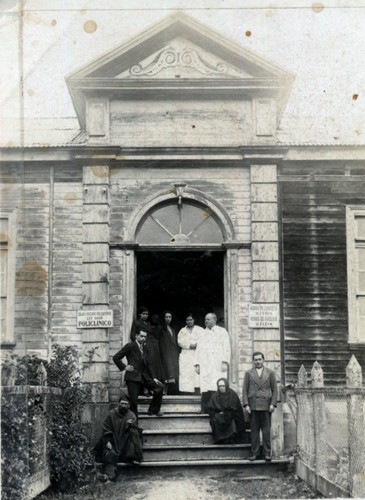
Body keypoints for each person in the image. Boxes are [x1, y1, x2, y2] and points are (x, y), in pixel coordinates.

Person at [113, 330, 164, 419]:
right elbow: (116, 357)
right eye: (141, 336)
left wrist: (154, 378)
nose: (143, 338)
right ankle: (134, 425)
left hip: (144, 377)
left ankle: (153, 409)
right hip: (133, 378)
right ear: (136, 336)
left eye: (145, 337)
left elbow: (148, 364)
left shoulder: (145, 347)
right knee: (133, 402)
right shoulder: (130, 346)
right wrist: (125, 367)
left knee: (159, 388)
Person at [94, 395, 143, 481]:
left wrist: (130, 426)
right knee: (109, 452)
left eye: (125, 404)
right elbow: (106, 428)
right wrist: (108, 440)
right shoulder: (111, 414)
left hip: (124, 444)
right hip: (113, 441)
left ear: (128, 406)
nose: (123, 406)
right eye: (122, 403)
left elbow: (136, 431)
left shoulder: (131, 415)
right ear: (118, 404)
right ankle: (109, 475)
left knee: (133, 436)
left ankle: (130, 460)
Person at [242, 351, 278, 462]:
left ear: (263, 360)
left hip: (266, 406)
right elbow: (244, 390)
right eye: (256, 360)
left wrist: (273, 404)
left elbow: (275, 390)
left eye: (259, 359)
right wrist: (246, 404)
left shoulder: (270, 373)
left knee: (266, 431)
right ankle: (255, 453)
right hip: (253, 406)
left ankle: (267, 453)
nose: (258, 361)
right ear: (253, 361)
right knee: (254, 431)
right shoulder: (248, 373)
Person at [195, 312, 231, 412]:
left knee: (216, 384)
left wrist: (225, 361)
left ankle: (217, 408)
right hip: (205, 363)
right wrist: (197, 364)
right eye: (205, 319)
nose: (206, 321)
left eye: (208, 319)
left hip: (217, 363)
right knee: (205, 386)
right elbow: (198, 348)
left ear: (214, 320)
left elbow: (226, 347)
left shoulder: (222, 331)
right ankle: (205, 409)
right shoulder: (202, 332)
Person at [207, 378, 246, 444]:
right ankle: (220, 439)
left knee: (232, 420)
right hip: (219, 416)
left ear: (226, 385)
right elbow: (210, 409)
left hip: (231, 415)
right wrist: (218, 413)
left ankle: (230, 439)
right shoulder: (215, 396)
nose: (221, 388)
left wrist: (227, 413)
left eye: (223, 386)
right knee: (215, 419)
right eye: (219, 386)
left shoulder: (232, 395)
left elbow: (236, 409)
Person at [177, 313, 204, 393]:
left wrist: (197, 345)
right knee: (186, 373)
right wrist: (189, 345)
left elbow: (204, 339)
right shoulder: (182, 330)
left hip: (197, 353)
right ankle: (186, 391)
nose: (189, 321)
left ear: (194, 320)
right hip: (186, 353)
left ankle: (197, 390)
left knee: (196, 372)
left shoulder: (199, 329)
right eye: (187, 320)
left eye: (191, 320)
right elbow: (180, 341)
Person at [158, 311, 180, 395]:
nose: (168, 319)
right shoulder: (160, 328)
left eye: (169, 317)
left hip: (172, 353)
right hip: (164, 353)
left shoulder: (172, 329)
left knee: (172, 373)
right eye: (166, 317)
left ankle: (167, 391)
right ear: (163, 318)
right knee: (166, 372)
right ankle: (163, 391)